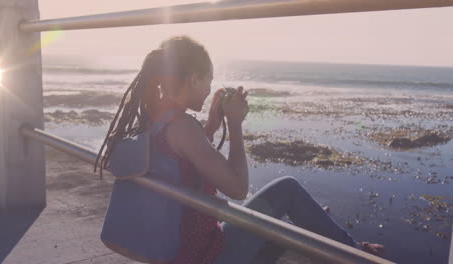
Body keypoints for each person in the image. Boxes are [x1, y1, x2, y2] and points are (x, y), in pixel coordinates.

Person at [95, 36, 384, 264]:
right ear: (193, 78)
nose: (209, 87)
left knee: (283, 223)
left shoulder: (157, 116)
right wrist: (234, 124)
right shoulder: (183, 126)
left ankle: (327, 237)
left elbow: (184, 162)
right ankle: (355, 255)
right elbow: (237, 188)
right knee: (287, 190)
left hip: (179, 250)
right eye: (208, 79)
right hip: (203, 256)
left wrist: (210, 125)